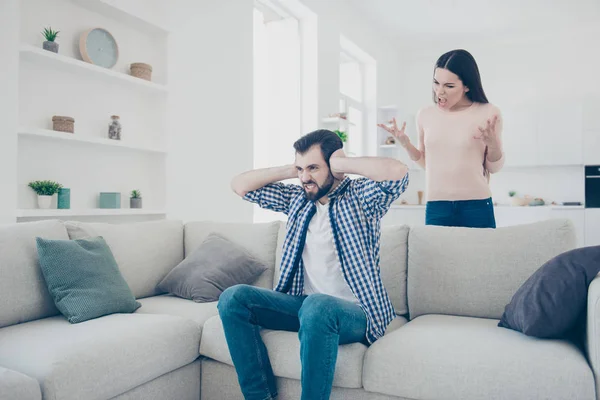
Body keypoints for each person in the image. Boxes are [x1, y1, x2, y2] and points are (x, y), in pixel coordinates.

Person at [220, 129, 409, 400]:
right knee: (233, 298)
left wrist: (342, 164)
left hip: (355, 313)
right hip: (304, 307)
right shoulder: (297, 199)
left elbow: (398, 173)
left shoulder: (361, 198)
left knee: (318, 305)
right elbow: (240, 185)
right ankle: (260, 396)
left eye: (313, 168)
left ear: (333, 165)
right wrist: (293, 169)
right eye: (301, 169)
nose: (305, 177)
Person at [379, 49, 504, 228]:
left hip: (477, 205)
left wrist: (493, 145)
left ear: (467, 86)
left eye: (449, 86)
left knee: (479, 257)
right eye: (436, 83)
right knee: (436, 257)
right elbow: (426, 164)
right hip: (437, 206)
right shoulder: (425, 115)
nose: (440, 92)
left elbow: (494, 167)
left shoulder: (489, 112)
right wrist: (406, 145)